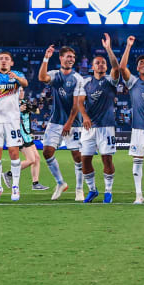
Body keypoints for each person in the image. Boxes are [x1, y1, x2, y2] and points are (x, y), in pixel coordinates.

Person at [75, 39, 121, 204]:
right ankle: (92, 190)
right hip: (88, 128)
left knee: (106, 159)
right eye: (97, 63)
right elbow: (80, 102)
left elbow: (117, 68)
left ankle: (108, 191)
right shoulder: (85, 82)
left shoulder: (110, 80)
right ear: (92, 67)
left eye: (103, 63)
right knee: (85, 159)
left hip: (106, 127)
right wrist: (85, 117)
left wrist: (108, 49)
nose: (101, 65)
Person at [38, 45, 86, 201]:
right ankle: (60, 183)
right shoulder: (54, 74)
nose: (71, 59)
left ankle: (79, 189)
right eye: (68, 56)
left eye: (73, 57)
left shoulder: (78, 78)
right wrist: (46, 58)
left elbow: (76, 105)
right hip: (56, 121)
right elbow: (42, 77)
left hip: (74, 123)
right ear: (61, 58)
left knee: (77, 156)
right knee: (47, 152)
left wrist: (69, 123)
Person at [115, 38, 144, 204]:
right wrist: (128, 46)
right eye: (141, 63)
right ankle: (139, 195)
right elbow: (121, 68)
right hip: (138, 129)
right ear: (137, 67)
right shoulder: (133, 82)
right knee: (137, 161)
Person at [0, 51, 29, 203]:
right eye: (1, 59)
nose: (3, 61)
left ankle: (15, 186)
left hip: (12, 120)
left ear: (11, 62)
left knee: (14, 152)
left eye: (6, 59)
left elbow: (26, 84)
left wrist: (16, 78)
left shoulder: (17, 74)